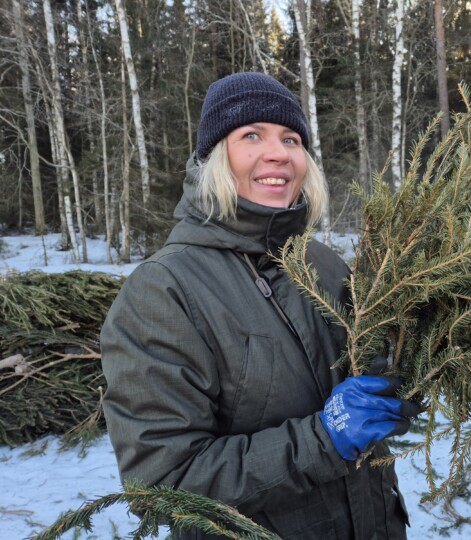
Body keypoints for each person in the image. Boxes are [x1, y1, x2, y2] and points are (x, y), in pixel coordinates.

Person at [100, 72, 421, 540]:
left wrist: (400, 378)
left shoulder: (324, 264)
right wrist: (324, 440)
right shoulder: (164, 290)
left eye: (291, 138)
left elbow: (364, 366)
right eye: (251, 135)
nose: (278, 152)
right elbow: (162, 486)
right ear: (214, 157)